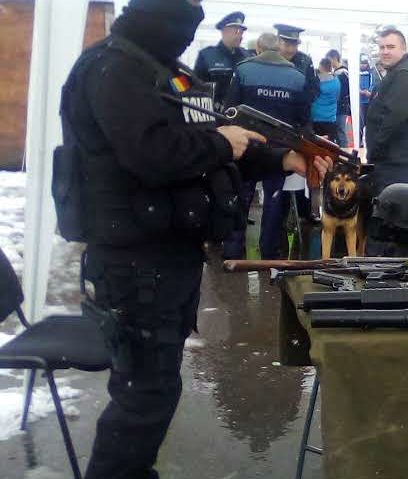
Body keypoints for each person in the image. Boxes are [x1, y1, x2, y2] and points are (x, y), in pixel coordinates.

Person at [57, 2, 330, 478]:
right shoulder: (114, 69)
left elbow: (204, 148)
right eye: (180, 27)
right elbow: (154, 154)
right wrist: (224, 142)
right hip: (135, 259)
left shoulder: (164, 72)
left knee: (156, 387)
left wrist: (281, 160)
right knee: (143, 394)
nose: (186, 38)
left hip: (168, 254)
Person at [222, 32, 308, 260]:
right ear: (278, 48)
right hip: (280, 150)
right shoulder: (297, 76)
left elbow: (230, 111)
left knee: (242, 198)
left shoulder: (243, 70)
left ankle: (233, 251)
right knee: (274, 201)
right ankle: (269, 251)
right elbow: (303, 119)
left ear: (258, 48)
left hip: (246, 146)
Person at [365, 27, 408, 192]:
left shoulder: (405, 75)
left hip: (395, 162)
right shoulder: (396, 72)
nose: (385, 51)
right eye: (382, 47)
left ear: (403, 49)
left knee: (391, 212)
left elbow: (394, 119)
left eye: (391, 47)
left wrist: (375, 150)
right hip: (390, 159)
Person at [193, 11, 252, 111]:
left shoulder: (247, 57)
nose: (240, 35)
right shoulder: (207, 56)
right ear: (224, 31)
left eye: (241, 32)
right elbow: (197, 86)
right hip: (214, 113)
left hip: (240, 115)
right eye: (236, 31)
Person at [275, 23, 319, 126]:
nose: (291, 50)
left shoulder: (305, 61)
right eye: (287, 45)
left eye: (294, 45)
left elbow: (314, 88)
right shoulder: (270, 59)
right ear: (278, 42)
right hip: (273, 114)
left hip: (297, 117)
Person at [326, 49, 351, 147]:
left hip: (341, 107)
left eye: (329, 60)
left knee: (341, 132)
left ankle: (344, 153)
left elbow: (343, 91)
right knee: (337, 132)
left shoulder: (342, 73)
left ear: (334, 58)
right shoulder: (337, 73)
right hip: (336, 106)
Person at [312, 57, 341, 141]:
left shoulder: (317, 81)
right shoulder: (337, 81)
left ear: (321, 66)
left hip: (316, 117)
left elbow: (312, 96)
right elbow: (337, 97)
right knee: (329, 146)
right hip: (331, 119)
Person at [358, 56, 376, 147]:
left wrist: (369, 91)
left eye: (364, 63)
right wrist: (360, 91)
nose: (363, 65)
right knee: (360, 123)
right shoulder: (356, 72)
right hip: (360, 102)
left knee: (369, 123)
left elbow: (373, 84)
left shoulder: (371, 72)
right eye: (361, 63)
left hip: (369, 101)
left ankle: (370, 142)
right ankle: (359, 141)